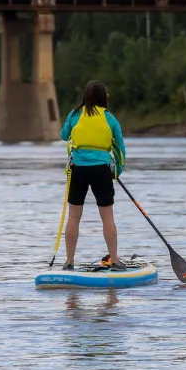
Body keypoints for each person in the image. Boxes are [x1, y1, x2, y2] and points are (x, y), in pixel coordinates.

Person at [59, 80, 127, 271]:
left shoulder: (74, 115)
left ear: (85, 97)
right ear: (104, 97)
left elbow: (64, 135)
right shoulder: (110, 118)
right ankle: (114, 260)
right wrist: (117, 171)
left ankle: (69, 262)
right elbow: (120, 150)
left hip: (77, 169)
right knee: (107, 217)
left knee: (73, 217)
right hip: (101, 170)